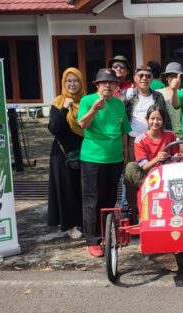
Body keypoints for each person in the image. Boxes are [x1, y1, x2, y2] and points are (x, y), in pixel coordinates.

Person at [77, 68, 132, 257]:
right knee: (92, 200)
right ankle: (92, 240)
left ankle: (107, 233)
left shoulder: (118, 103)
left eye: (112, 82)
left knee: (109, 199)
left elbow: (124, 131)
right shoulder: (87, 100)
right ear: (97, 85)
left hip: (115, 158)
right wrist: (94, 109)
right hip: (93, 158)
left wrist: (126, 156)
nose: (108, 85)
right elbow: (82, 124)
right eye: (104, 82)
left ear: (117, 86)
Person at [47, 67, 85, 239]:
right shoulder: (58, 102)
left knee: (82, 188)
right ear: (63, 83)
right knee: (67, 189)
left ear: (81, 82)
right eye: (68, 81)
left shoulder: (86, 101)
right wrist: (64, 109)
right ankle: (70, 225)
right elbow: (54, 128)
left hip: (84, 151)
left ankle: (83, 221)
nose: (72, 84)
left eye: (75, 80)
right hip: (62, 153)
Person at [122, 65, 167, 162]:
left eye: (148, 76)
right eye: (141, 75)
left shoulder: (158, 96)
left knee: (154, 169)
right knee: (136, 171)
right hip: (133, 140)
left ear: (152, 79)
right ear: (135, 78)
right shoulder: (128, 95)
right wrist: (124, 98)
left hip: (154, 140)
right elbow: (119, 112)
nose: (144, 78)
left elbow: (165, 117)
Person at [125, 104, 176, 189]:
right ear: (147, 119)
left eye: (159, 119)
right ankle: (149, 188)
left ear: (164, 120)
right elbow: (144, 166)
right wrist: (157, 158)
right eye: (152, 119)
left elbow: (175, 155)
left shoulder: (170, 135)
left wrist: (176, 156)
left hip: (167, 170)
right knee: (131, 167)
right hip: (149, 173)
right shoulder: (140, 140)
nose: (155, 122)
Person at [156, 62, 183, 137]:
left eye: (176, 76)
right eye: (171, 76)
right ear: (166, 77)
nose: (174, 79)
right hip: (164, 135)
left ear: (180, 78)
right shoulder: (158, 93)